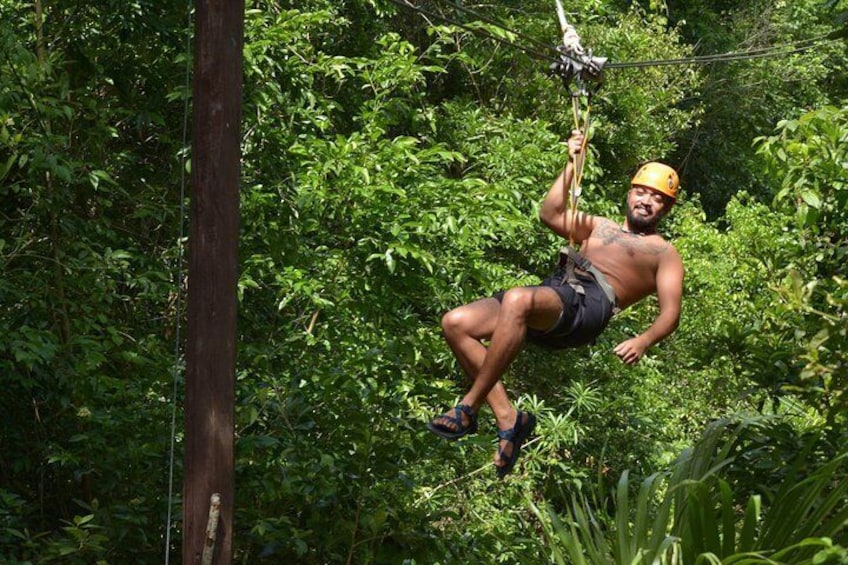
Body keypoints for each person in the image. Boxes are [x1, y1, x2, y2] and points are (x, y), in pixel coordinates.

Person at [427, 130, 685, 478]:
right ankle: (509, 419)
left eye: (656, 198)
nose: (646, 200)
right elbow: (550, 214)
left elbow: (670, 313)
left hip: (591, 305)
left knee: (518, 298)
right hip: (558, 290)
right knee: (455, 323)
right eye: (641, 191)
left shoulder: (664, 253)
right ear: (629, 193)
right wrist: (572, 162)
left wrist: (643, 340)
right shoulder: (599, 226)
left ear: (665, 208)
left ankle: (468, 407)